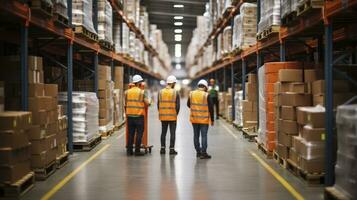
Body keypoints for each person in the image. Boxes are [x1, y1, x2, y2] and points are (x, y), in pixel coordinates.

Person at [187, 79, 214, 159]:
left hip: (194, 119)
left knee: (196, 135)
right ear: (205, 87)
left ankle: (198, 152)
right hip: (204, 119)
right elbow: (211, 108)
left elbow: (188, 104)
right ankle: (204, 153)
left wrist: (195, 109)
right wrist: (212, 119)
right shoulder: (206, 95)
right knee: (204, 136)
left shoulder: (191, 94)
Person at [125, 75, 151, 156]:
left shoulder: (127, 92)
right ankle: (137, 151)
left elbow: (126, 103)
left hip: (129, 116)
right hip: (139, 116)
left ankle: (129, 151)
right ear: (139, 83)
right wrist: (150, 101)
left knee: (131, 133)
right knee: (139, 133)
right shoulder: (142, 92)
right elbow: (147, 103)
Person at [158, 75, 180, 155]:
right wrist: (175, 113)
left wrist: (161, 112)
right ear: (173, 83)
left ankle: (162, 149)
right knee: (172, 133)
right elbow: (178, 106)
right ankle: (171, 150)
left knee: (163, 132)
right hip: (172, 116)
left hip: (163, 116)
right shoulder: (175, 92)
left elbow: (158, 104)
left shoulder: (160, 92)